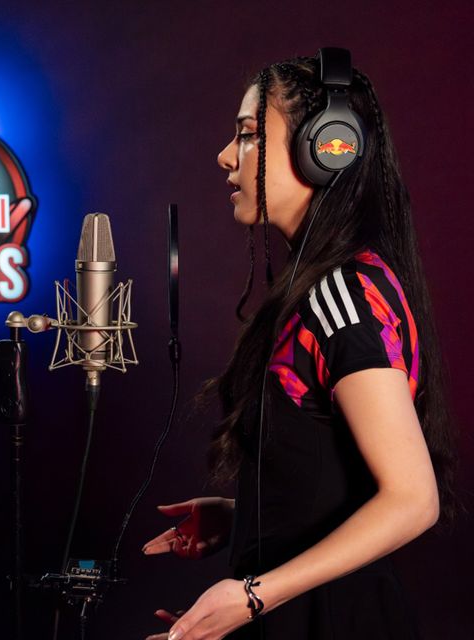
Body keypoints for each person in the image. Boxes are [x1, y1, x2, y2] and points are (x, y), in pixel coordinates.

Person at [141, 50, 459, 640]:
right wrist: (241, 518)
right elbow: (331, 478)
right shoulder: (323, 289)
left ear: (325, 149)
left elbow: (413, 499)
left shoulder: (345, 298)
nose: (226, 156)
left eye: (248, 135)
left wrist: (250, 599)